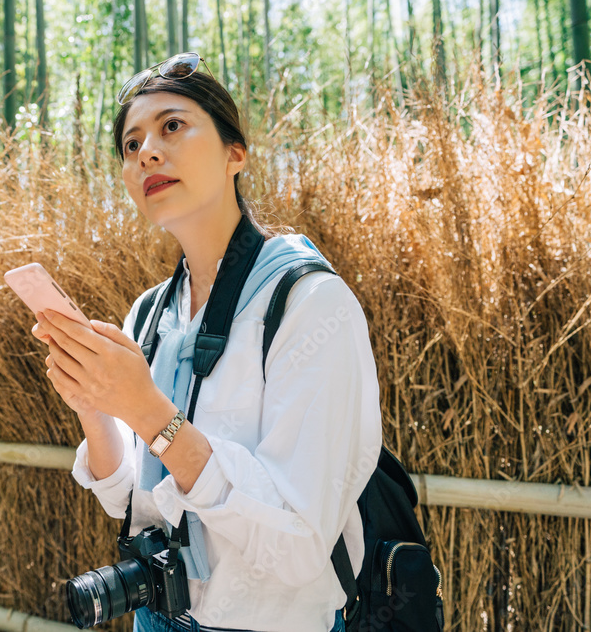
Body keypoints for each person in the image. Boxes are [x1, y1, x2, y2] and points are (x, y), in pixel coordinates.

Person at [31, 53, 382, 632]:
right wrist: (94, 409)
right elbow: (131, 501)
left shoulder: (309, 304)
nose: (146, 152)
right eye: (130, 143)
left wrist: (148, 411)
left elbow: (298, 542)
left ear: (234, 153)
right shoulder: (149, 312)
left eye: (172, 126)